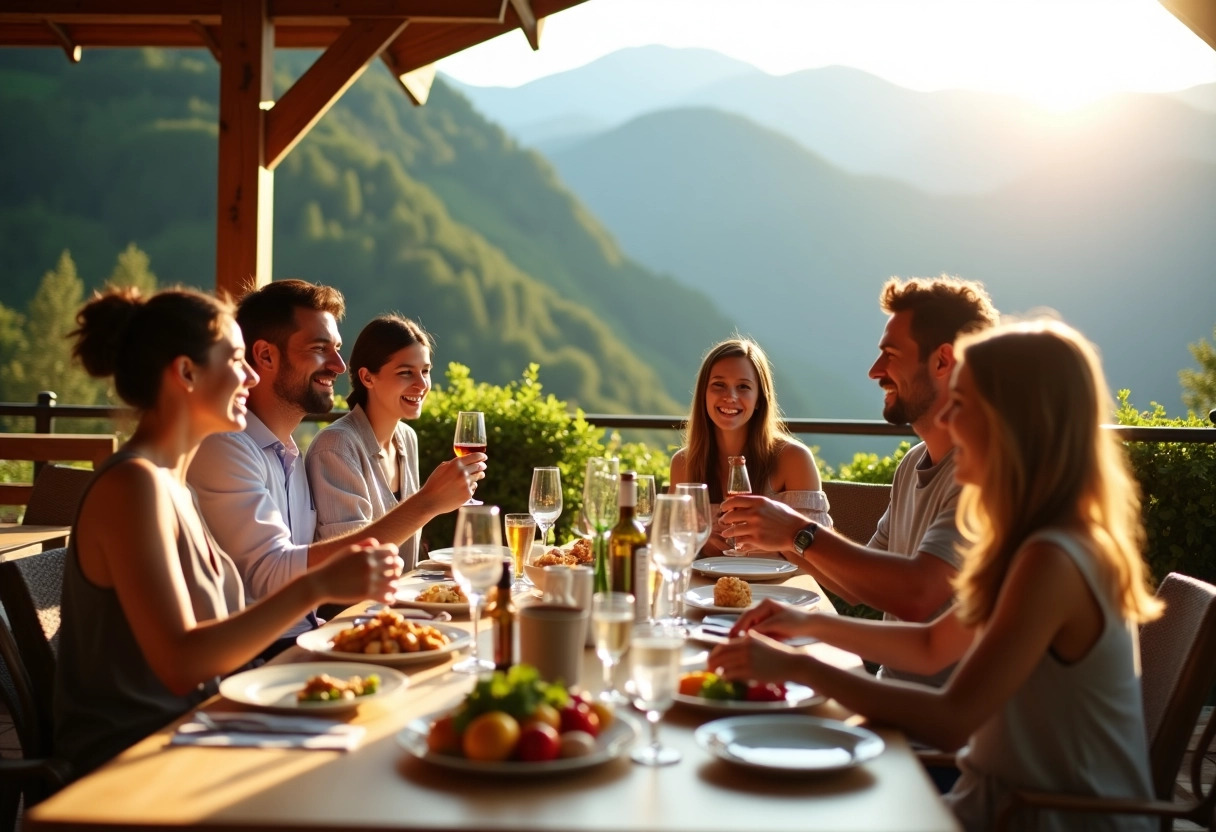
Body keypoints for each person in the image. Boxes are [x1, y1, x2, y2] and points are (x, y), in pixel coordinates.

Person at [712, 320, 1160, 831]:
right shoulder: (1025, 538)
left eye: (962, 404)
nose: (944, 416)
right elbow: (930, 645)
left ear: (1015, 420)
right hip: (989, 803)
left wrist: (801, 668)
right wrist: (807, 626)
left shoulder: (1051, 558)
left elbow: (950, 721)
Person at [54, 287, 402, 778]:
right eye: (237, 360)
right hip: (133, 763)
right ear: (186, 373)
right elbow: (180, 661)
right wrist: (317, 585)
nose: (252, 377)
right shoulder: (133, 486)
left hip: (198, 728)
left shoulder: (170, 481)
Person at [721, 276, 997, 686]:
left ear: (943, 361)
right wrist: (782, 540)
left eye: (890, 355)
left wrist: (798, 530)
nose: (874, 371)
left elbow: (917, 595)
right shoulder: (913, 464)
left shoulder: (985, 474)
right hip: (894, 690)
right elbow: (857, 588)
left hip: (929, 717)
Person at [187, 280, 483, 655]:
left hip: (308, 636)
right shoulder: (227, 447)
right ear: (264, 356)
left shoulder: (289, 454)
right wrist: (426, 504)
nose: (339, 365)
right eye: (319, 349)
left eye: (338, 350)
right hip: (258, 655)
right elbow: (271, 576)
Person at [668, 337, 828, 556]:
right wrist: (698, 540)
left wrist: (775, 537)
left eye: (743, 387)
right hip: (706, 589)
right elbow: (671, 550)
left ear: (759, 399)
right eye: (719, 385)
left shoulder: (794, 459)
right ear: (703, 394)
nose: (730, 397)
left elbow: (820, 557)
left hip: (780, 589)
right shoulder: (683, 464)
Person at [306, 314, 433, 565]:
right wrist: (431, 501)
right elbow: (351, 562)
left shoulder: (407, 439)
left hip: (402, 599)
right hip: (354, 605)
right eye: (406, 372)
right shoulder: (336, 447)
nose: (422, 384)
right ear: (367, 378)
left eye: (426, 371)